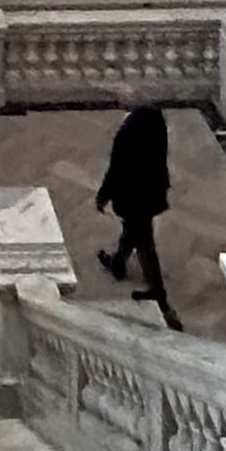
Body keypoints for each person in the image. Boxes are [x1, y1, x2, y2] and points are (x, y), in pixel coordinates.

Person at [95, 102, 181, 331]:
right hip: (151, 192)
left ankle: (160, 298)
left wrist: (103, 195)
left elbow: (116, 168)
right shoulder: (156, 121)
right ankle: (118, 263)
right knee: (135, 231)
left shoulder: (127, 132)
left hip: (132, 196)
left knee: (144, 242)